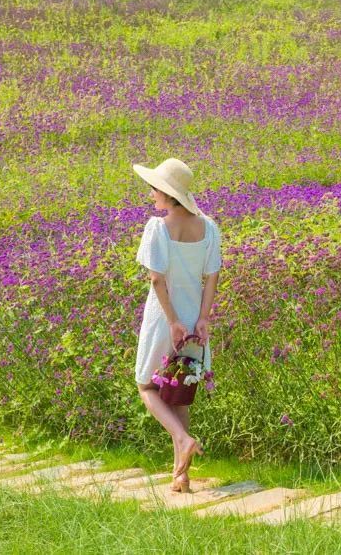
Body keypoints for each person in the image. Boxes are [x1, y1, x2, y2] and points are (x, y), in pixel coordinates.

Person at [133, 157, 222, 493]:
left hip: (164, 318)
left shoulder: (157, 228)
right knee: (179, 395)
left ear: (170, 195)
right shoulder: (209, 228)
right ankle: (181, 477)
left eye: (156, 188)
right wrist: (202, 318)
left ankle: (181, 439)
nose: (152, 194)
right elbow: (212, 276)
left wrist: (172, 323)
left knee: (147, 386)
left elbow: (157, 281)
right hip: (194, 318)